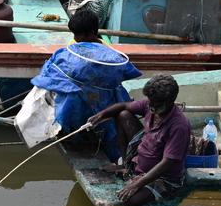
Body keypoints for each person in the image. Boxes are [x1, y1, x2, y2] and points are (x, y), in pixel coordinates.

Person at [28, 9, 141, 160]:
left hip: (78, 107)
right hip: (105, 102)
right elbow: (129, 72)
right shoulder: (114, 57)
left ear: (90, 32)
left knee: (65, 95)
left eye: (77, 35)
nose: (75, 38)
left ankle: (71, 134)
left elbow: (48, 75)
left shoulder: (66, 54)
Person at [87, 74, 189, 206]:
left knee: (129, 201)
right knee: (123, 115)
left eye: (156, 104)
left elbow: (168, 162)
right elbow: (123, 106)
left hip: (162, 177)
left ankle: (136, 177)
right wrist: (100, 116)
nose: (151, 106)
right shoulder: (150, 104)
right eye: (150, 101)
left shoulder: (179, 126)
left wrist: (136, 184)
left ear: (169, 102)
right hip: (144, 153)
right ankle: (126, 166)